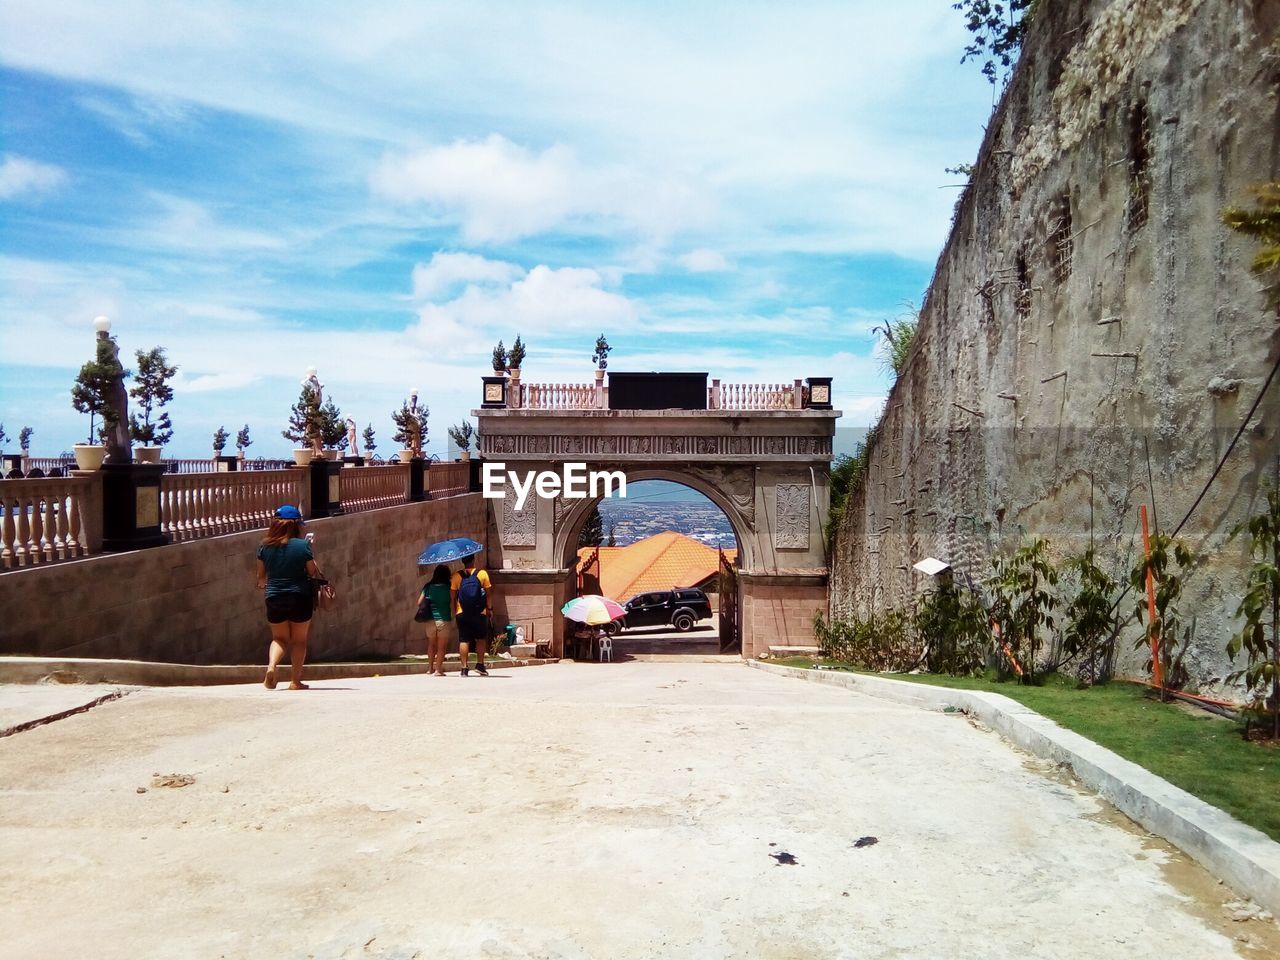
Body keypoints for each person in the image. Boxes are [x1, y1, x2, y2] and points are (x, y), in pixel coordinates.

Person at [255, 504, 320, 690]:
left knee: (279, 638)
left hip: (274, 596)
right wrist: (310, 551)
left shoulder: (264, 546)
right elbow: (312, 571)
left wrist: (265, 584)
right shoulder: (302, 546)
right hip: (300, 596)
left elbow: (261, 577)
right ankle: (295, 681)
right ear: (296, 525)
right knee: (299, 641)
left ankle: (271, 667)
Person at [450, 554, 494, 676]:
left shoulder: (456, 576)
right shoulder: (482, 574)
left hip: (462, 612)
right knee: (480, 639)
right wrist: (489, 609)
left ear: (463, 561)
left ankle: (464, 668)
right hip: (480, 612)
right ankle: (480, 665)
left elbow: (453, 597)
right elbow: (489, 594)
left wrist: (455, 611)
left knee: (464, 639)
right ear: (473, 560)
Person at [417, 564, 453, 676]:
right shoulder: (449, 587)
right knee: (442, 646)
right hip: (444, 618)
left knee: (431, 644)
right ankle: (438, 670)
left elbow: (419, 602)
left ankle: (430, 669)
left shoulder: (428, 586)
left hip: (430, 619)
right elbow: (453, 601)